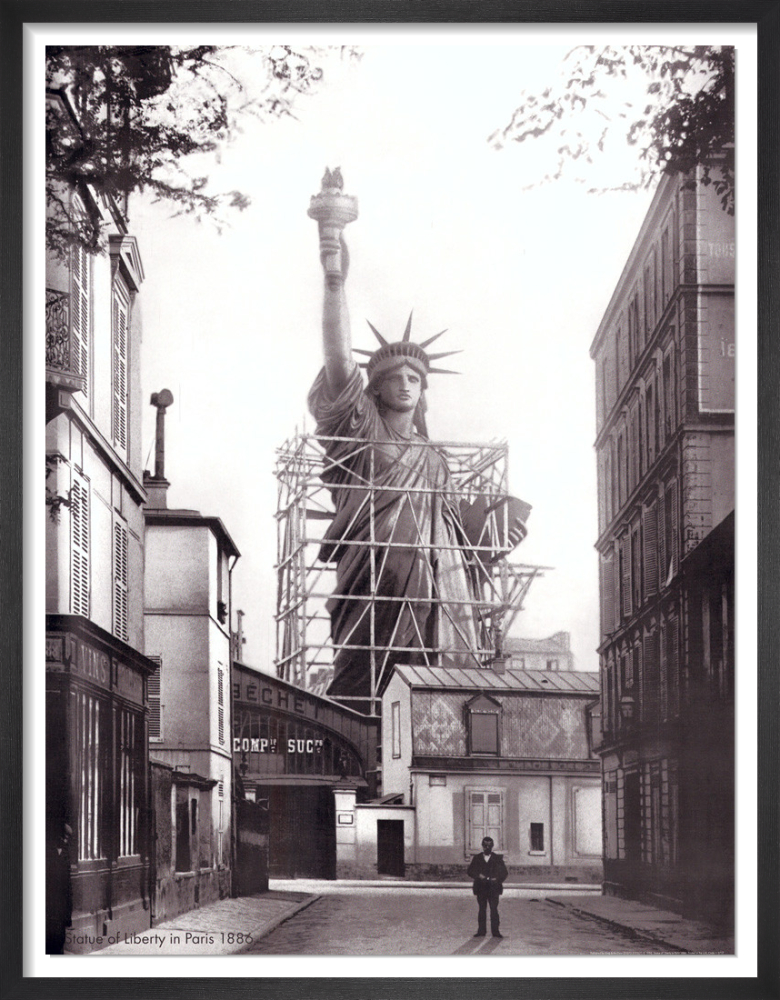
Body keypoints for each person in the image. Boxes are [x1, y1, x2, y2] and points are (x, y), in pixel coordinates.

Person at [308, 234, 482, 713]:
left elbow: (456, 536)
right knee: (361, 673)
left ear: (422, 391)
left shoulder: (433, 457)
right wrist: (334, 278)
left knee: (423, 677)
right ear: (375, 390)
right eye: (394, 378)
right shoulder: (360, 427)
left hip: (426, 583)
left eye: (414, 379)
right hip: (371, 574)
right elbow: (338, 359)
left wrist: (493, 528)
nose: (405, 385)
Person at [467, 836, 508, 938]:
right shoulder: (477, 858)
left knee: (494, 909)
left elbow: (504, 873)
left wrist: (497, 879)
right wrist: (479, 875)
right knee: (482, 909)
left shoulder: (498, 858)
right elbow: (470, 871)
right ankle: (481, 931)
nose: (487, 847)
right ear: (482, 846)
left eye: (489, 845)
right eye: (485, 845)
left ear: (492, 846)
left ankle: (496, 932)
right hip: (481, 888)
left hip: (494, 888)